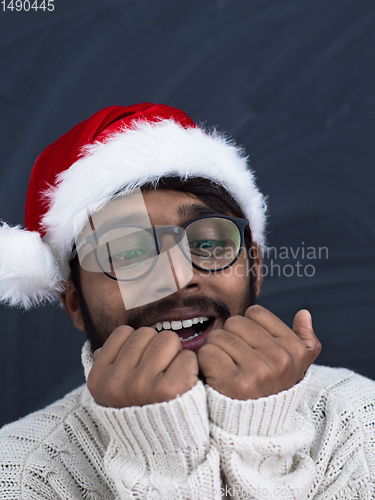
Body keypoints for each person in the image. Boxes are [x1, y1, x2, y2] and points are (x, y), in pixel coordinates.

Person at [0, 103, 374, 499]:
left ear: (255, 268)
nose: (176, 280)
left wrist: (263, 434)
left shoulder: (363, 424)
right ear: (74, 303)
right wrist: (161, 454)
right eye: (126, 253)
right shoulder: (19, 477)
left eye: (208, 242)